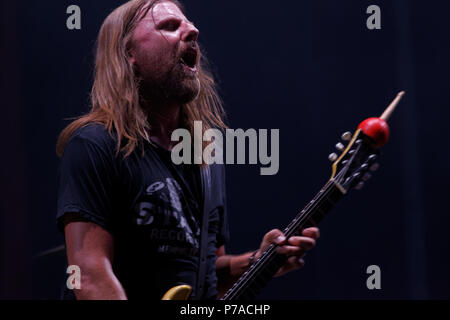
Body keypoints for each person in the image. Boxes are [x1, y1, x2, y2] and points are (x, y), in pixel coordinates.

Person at [56, 0, 320, 300]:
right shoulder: (96, 145)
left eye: (189, 24)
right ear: (128, 54)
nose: (193, 30)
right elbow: (89, 276)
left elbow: (206, 274)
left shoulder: (205, 157)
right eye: (169, 26)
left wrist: (258, 262)